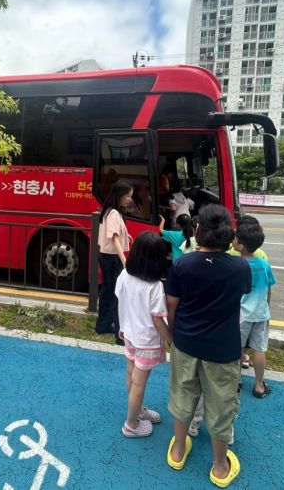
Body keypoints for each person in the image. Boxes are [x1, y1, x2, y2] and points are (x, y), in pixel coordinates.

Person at [165, 204, 251, 488]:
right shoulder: (240, 267)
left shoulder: (182, 264)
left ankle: (178, 451)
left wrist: (176, 334)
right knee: (220, 405)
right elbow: (241, 296)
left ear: (198, 230)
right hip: (223, 349)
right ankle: (219, 467)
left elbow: (172, 306)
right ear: (229, 234)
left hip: (186, 343)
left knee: (183, 395)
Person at [115, 231, 172, 437]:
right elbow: (158, 319)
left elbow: (118, 296)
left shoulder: (124, 275)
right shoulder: (155, 286)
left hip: (129, 333)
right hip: (146, 340)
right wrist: (170, 340)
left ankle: (137, 411)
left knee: (131, 374)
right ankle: (131, 424)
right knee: (139, 382)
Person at [233, 219, 276, 399]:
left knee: (236, 349)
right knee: (259, 349)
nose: (232, 240)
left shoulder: (236, 266)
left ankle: (236, 382)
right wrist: (266, 310)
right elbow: (268, 291)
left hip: (242, 315)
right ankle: (259, 386)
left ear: (241, 246)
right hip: (261, 313)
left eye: (235, 238)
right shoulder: (264, 265)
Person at [95, 179, 134, 345]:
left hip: (106, 256)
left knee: (107, 291)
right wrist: (124, 260)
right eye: (127, 196)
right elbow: (115, 239)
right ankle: (120, 334)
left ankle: (102, 325)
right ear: (119, 196)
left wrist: (127, 236)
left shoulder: (109, 212)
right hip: (112, 258)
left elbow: (116, 235)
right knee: (117, 295)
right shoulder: (114, 214)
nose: (129, 199)